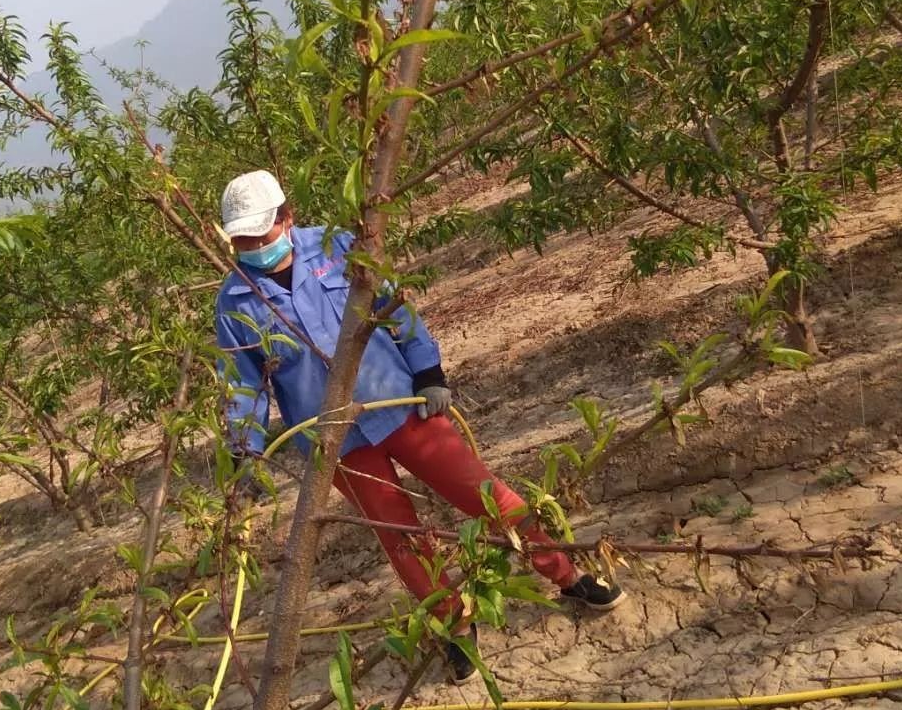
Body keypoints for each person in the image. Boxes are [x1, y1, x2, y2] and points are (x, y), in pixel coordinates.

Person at [214, 169, 625, 682]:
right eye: (242, 240)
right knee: (400, 536)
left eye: (260, 235)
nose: (252, 247)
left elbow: (393, 309)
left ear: (287, 217)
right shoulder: (234, 302)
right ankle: (454, 627)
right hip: (334, 439)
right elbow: (243, 384)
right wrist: (243, 451)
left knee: (485, 496)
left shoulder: (338, 247)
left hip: (398, 403)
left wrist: (429, 371)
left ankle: (567, 575)